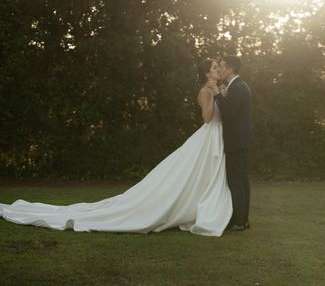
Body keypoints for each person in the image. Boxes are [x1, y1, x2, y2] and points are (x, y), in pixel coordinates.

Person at [0, 59, 233, 236]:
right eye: (213, 67)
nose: (217, 69)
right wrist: (214, 95)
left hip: (217, 137)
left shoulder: (219, 89)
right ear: (205, 73)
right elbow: (207, 118)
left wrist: (221, 94)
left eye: (217, 66)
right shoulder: (205, 91)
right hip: (208, 136)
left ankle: (201, 207)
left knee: (206, 177)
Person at [214, 56, 253, 231]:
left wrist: (217, 95)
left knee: (236, 181)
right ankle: (243, 220)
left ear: (230, 69)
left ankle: (238, 221)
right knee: (242, 181)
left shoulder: (237, 87)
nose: (220, 69)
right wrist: (223, 94)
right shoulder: (239, 86)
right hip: (241, 140)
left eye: (222, 66)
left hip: (236, 141)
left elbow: (229, 113)